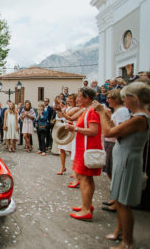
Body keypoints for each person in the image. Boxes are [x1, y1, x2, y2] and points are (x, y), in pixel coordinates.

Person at [94, 82, 150, 248]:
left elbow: (109, 133)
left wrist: (103, 114)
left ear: (134, 98)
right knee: (119, 200)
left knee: (124, 203)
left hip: (128, 162)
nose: (124, 101)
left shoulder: (140, 118)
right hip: (123, 160)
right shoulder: (135, 116)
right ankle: (119, 231)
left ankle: (127, 242)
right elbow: (117, 131)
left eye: (126, 98)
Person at [65, 87, 102, 221]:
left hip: (88, 149)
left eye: (80, 97)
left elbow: (93, 131)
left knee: (85, 178)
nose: (77, 99)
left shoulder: (92, 111)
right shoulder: (87, 110)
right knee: (85, 177)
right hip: (84, 148)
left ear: (87, 98)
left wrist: (74, 128)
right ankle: (87, 205)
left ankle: (86, 210)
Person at [99, 89, 130, 213]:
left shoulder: (122, 111)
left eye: (109, 98)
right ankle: (114, 198)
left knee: (113, 171)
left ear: (116, 99)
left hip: (113, 142)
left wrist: (104, 115)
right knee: (110, 171)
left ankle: (117, 201)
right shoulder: (117, 111)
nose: (107, 100)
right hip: (109, 141)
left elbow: (116, 129)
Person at [56, 94, 80, 175]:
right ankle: (62, 167)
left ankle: (75, 169)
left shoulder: (77, 108)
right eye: (68, 99)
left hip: (72, 129)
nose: (69, 100)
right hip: (65, 128)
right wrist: (58, 109)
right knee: (61, 149)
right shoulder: (67, 108)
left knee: (71, 150)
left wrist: (61, 109)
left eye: (71, 99)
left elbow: (68, 116)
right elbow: (60, 116)